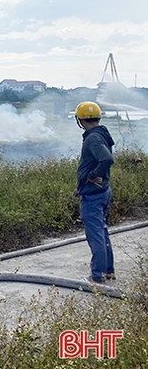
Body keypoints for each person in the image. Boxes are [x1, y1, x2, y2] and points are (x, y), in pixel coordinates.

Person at [73, 101, 115, 285]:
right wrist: (82, 185)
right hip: (100, 191)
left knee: (95, 235)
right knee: (102, 232)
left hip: (94, 195)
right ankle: (108, 271)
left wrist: (91, 176)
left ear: (81, 120)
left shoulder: (93, 138)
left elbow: (106, 159)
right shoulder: (100, 134)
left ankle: (96, 277)